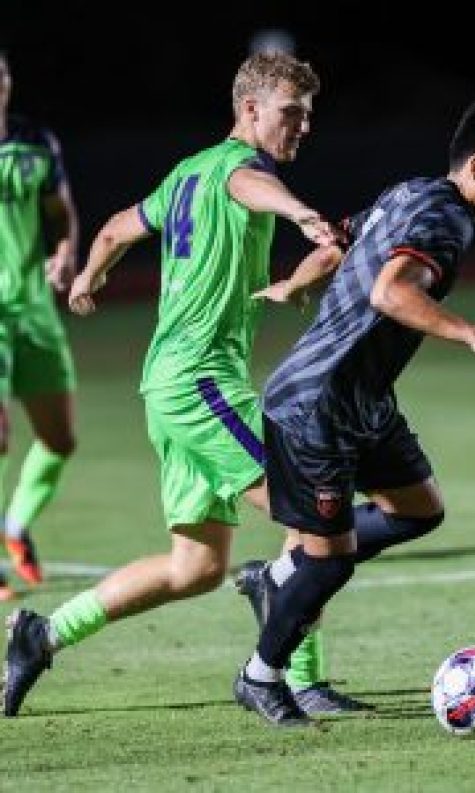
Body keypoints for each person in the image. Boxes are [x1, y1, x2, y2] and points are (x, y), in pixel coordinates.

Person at [0, 50, 355, 719]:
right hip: (200, 383)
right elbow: (251, 186)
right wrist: (299, 212)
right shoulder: (240, 169)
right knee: (315, 510)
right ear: (249, 109)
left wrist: (88, 278)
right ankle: (300, 673)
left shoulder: (186, 171)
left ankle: (40, 636)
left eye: (307, 115)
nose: (302, 125)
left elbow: (114, 229)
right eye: (291, 113)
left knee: (194, 568)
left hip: (167, 387)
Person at [232, 96, 475, 727]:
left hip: (365, 399)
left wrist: (299, 282)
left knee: (418, 509)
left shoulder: (411, 192)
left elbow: (338, 241)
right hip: (318, 402)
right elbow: (390, 292)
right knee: (332, 560)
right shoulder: (446, 219)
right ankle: (259, 676)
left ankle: (281, 573)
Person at [0, 50, 79, 599]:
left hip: (34, 308)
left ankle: (15, 524)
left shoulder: (35, 142)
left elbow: (61, 213)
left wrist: (66, 254)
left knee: (58, 439)